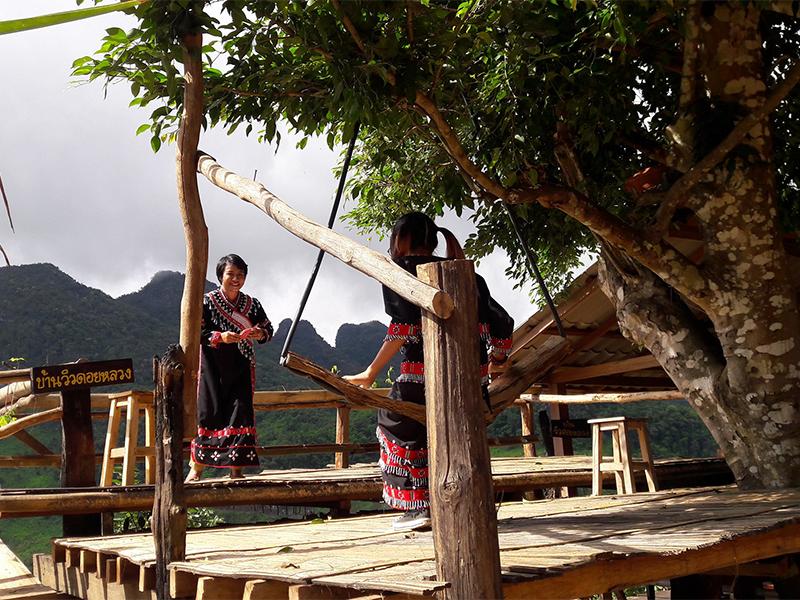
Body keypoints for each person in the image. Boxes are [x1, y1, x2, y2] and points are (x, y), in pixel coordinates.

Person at [343, 212, 513, 531]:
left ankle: (420, 506)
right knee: (455, 432)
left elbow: (403, 327)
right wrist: (498, 360)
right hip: (471, 380)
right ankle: (465, 503)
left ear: (400, 240)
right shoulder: (468, 274)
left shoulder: (401, 271)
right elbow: (501, 322)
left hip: (425, 377)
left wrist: (370, 373)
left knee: (398, 425)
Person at [185, 254, 273, 482]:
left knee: (241, 414)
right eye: (230, 274)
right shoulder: (206, 302)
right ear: (220, 276)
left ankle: (236, 470)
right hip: (212, 369)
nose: (236, 279)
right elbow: (195, 332)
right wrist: (220, 337)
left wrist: (259, 333)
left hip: (242, 366)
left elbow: (268, 329)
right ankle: (196, 469)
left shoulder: (252, 304)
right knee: (209, 414)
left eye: (240, 275)